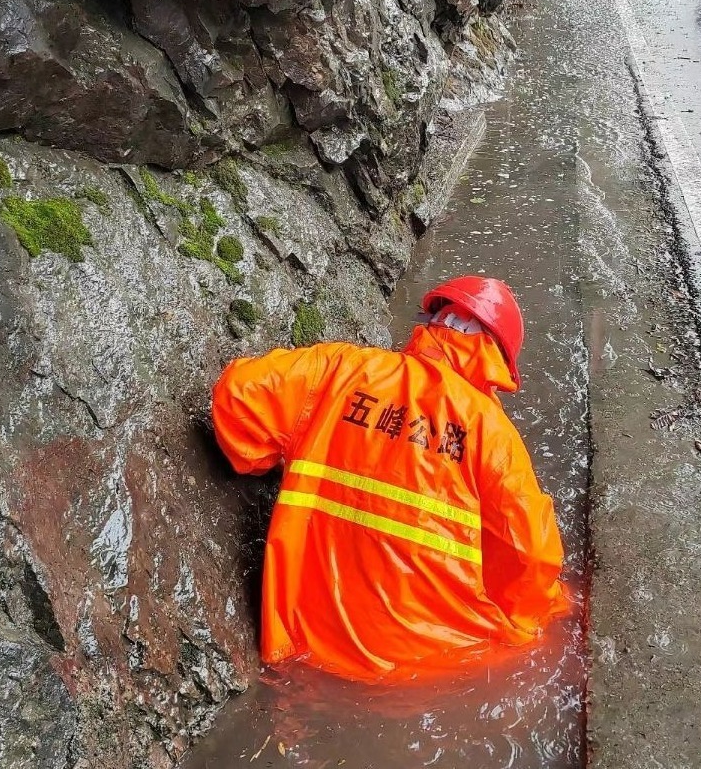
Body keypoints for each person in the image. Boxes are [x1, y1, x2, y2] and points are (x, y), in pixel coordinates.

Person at [211, 276, 567, 682]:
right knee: (547, 626)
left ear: (432, 322)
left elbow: (238, 394)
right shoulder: (490, 431)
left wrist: (268, 458)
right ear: (497, 359)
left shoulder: (343, 370)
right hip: (434, 665)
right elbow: (532, 556)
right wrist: (528, 612)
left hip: (304, 643)